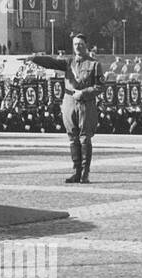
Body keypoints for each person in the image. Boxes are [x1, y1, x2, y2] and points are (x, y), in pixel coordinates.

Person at [30, 33, 105, 183]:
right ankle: (76, 171)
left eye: (81, 44)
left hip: (85, 103)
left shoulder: (94, 64)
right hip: (69, 102)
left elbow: (100, 86)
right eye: (75, 44)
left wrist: (83, 93)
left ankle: (85, 173)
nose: (78, 47)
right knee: (72, 137)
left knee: (84, 138)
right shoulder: (68, 63)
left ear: (86, 46)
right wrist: (34, 59)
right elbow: (51, 63)